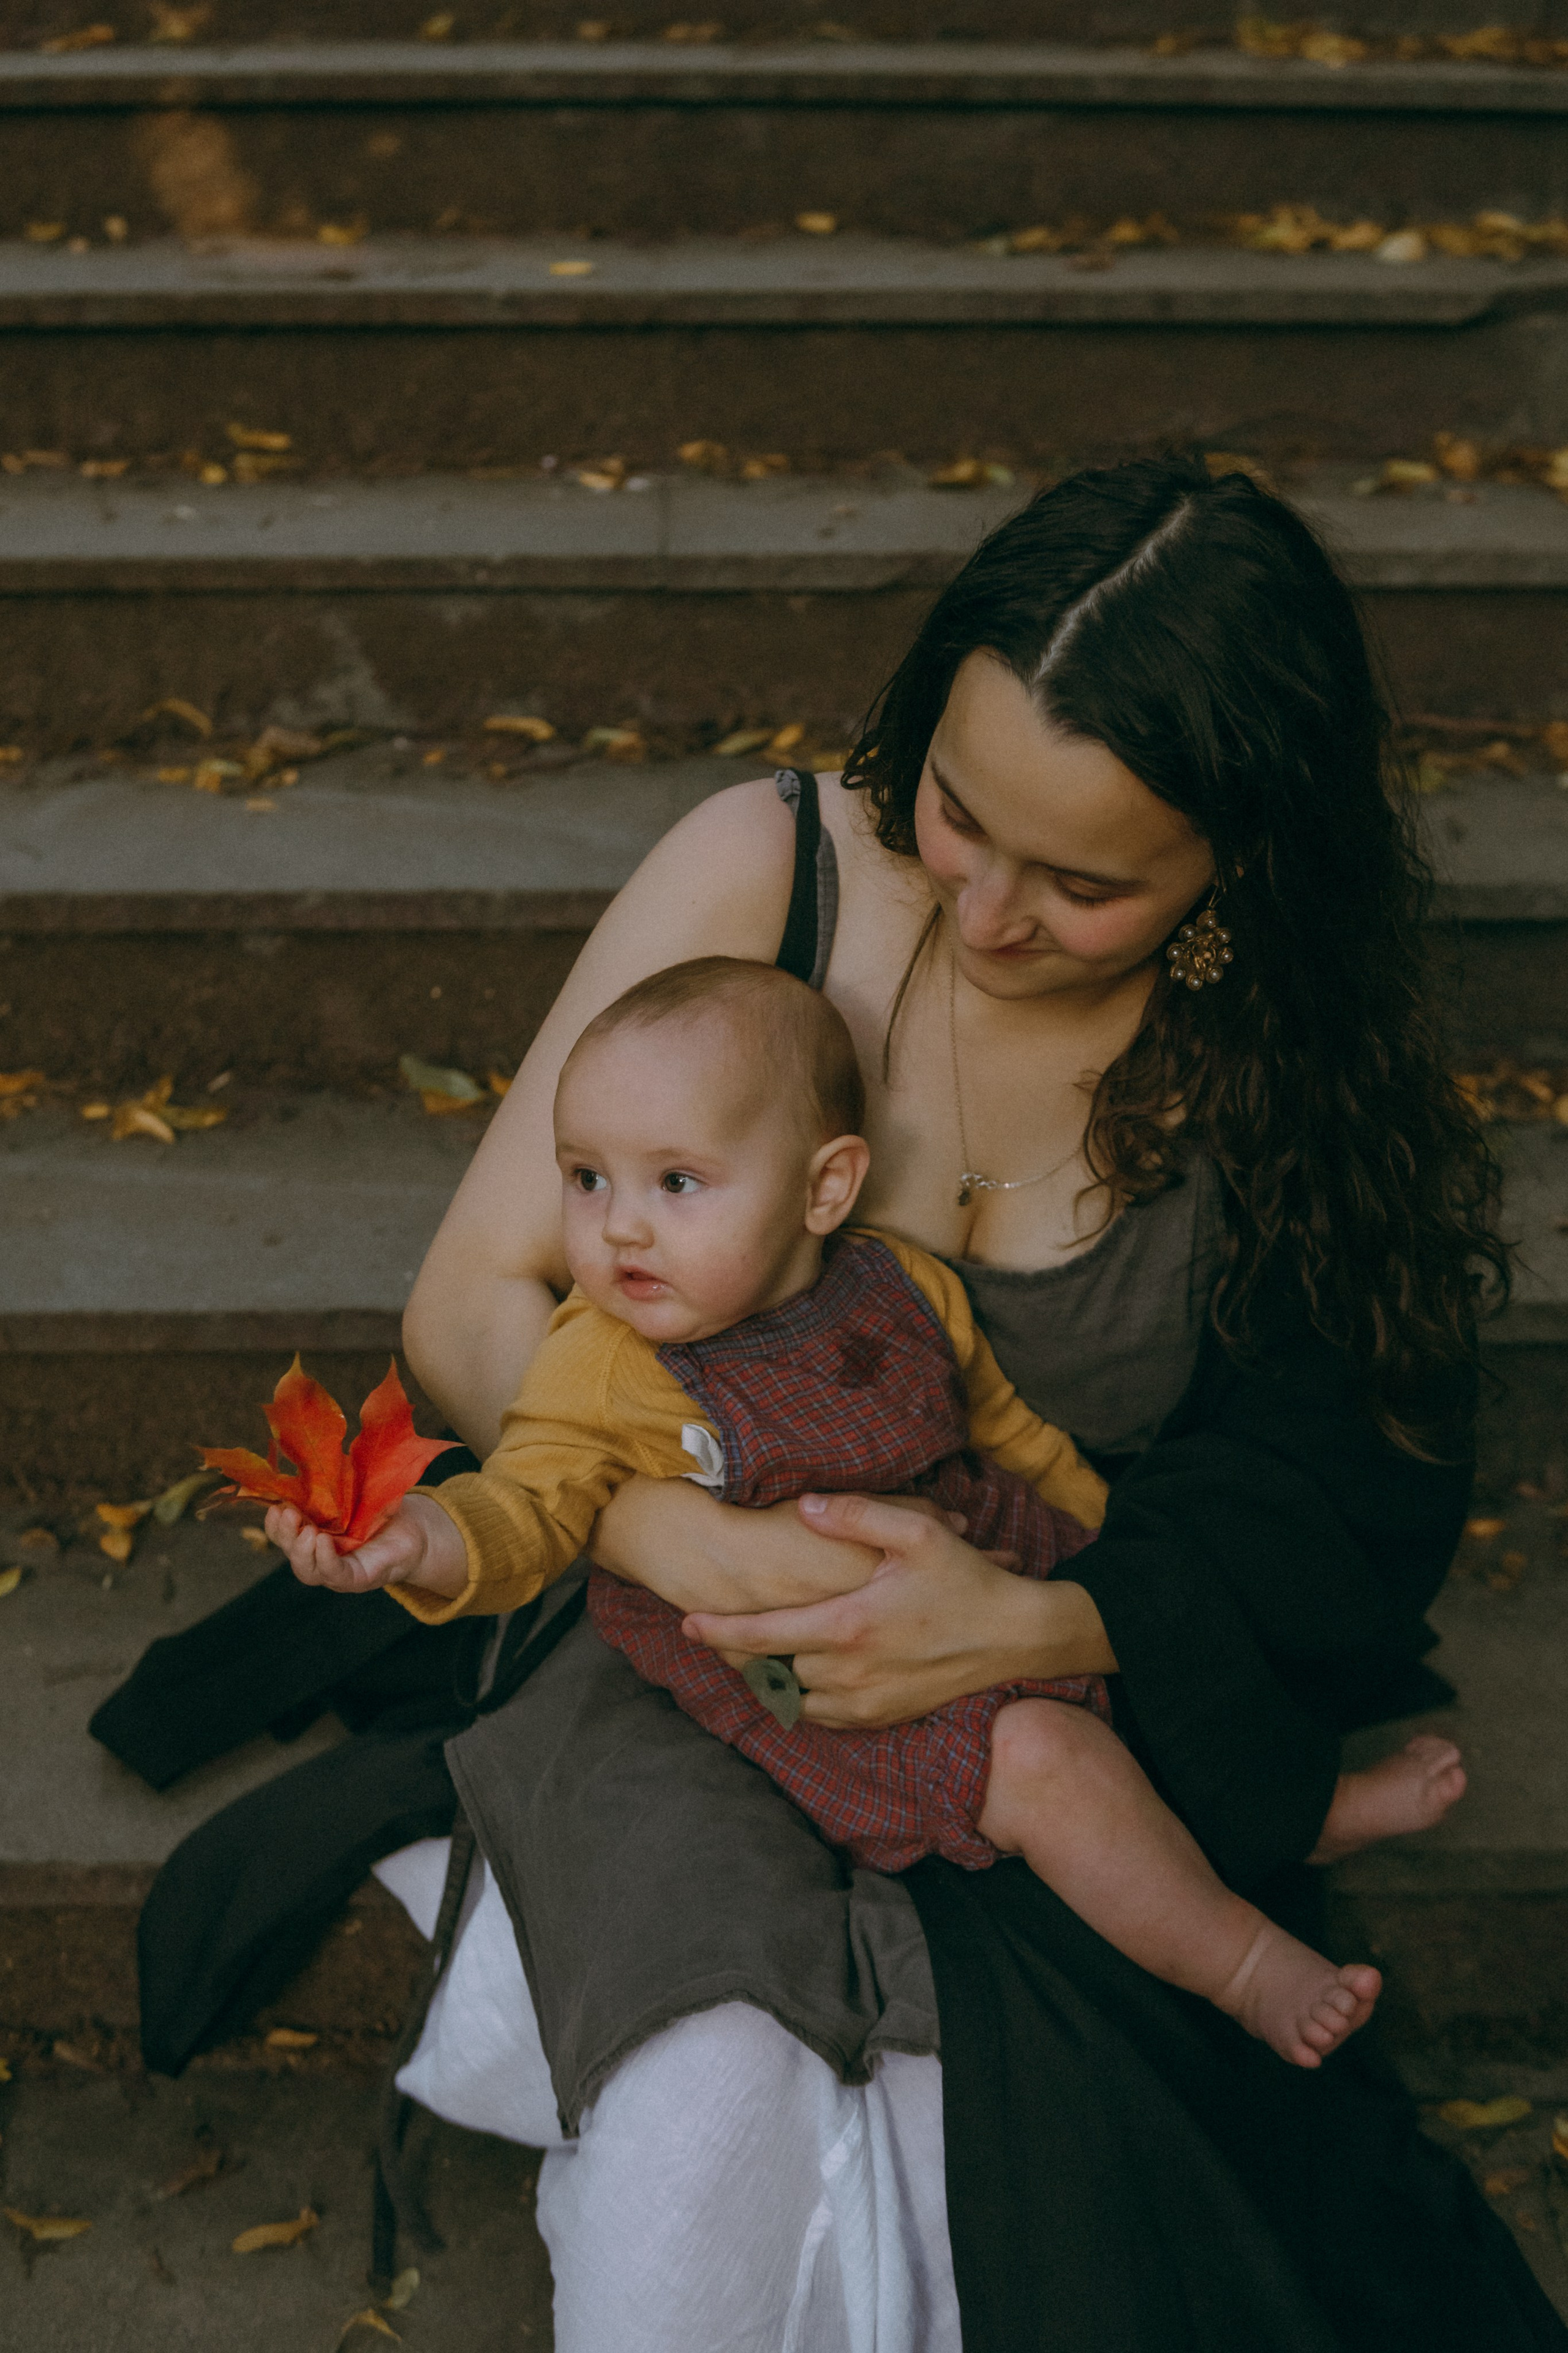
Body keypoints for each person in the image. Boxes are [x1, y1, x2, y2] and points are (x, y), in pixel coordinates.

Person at [325, 458, 1557, 2351]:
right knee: (695, 2112)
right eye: (962, 818)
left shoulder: (1280, 1058)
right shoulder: (778, 868)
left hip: (1050, 1666)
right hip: (681, 1636)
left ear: (1238, 862)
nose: (983, 911)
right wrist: (695, 1543)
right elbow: (471, 1302)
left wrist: (1047, 1613)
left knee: (1016, 2158)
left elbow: (1343, 1470)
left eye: (1084, 884)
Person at [275, 951, 1473, 2073]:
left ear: (824, 1187)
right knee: (1050, 1758)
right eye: (585, 1177)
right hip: (808, 1666)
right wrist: (420, 1540)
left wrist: (1101, 1547)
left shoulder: (899, 1284)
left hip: (965, 1526)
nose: (618, 1224)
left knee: (1159, 1634)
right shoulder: (603, 1366)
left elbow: (1004, 1427)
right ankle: (1241, 1958)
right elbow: (524, 1505)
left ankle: (1296, 1806)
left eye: (675, 1181)